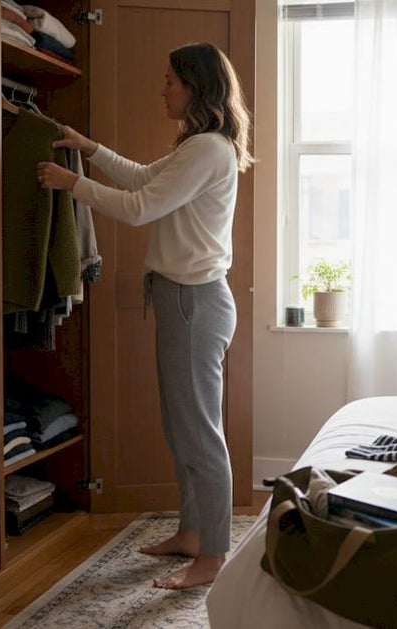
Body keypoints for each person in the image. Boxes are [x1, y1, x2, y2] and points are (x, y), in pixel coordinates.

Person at [35, 42, 252, 590]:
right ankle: (192, 533)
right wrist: (90, 149)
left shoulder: (207, 149)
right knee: (183, 429)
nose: (164, 90)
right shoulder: (198, 146)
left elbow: (140, 208)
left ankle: (212, 557)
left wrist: (73, 184)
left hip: (193, 303)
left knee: (200, 434)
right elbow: (140, 178)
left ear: (197, 87)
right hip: (183, 300)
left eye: (171, 81)